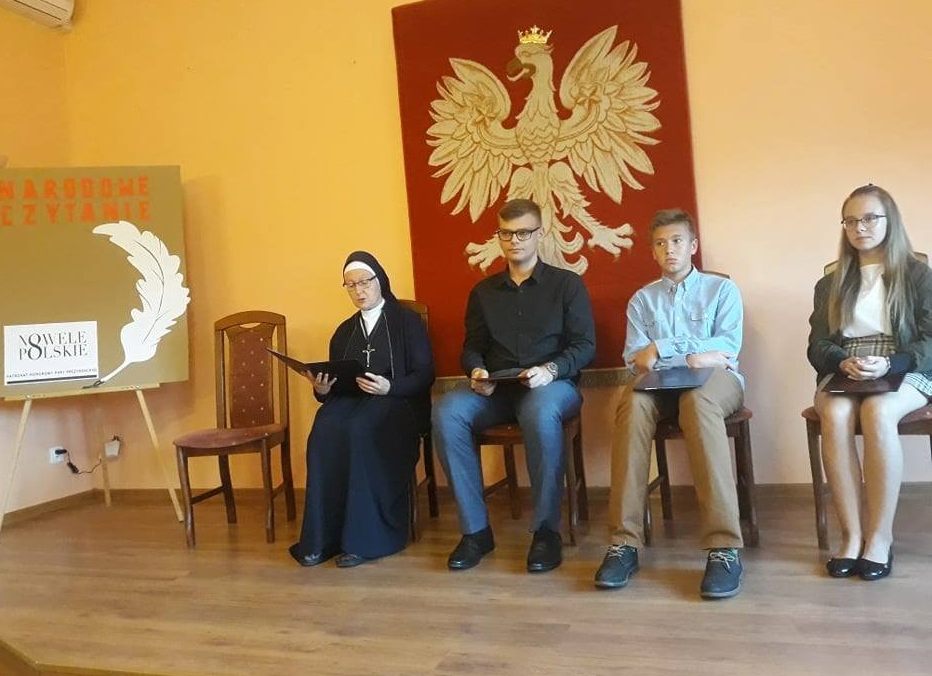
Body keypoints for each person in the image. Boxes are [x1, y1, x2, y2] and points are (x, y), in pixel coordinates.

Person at [432, 198, 596, 573]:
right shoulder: (483, 292)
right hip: (497, 389)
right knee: (446, 411)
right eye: (506, 234)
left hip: (551, 386)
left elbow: (585, 345)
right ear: (499, 237)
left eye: (523, 233)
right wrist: (476, 371)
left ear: (540, 234)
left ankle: (546, 532)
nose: (514, 241)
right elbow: (472, 347)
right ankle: (475, 532)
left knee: (540, 412)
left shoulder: (567, 285)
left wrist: (551, 369)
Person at [594, 208, 747, 599]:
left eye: (677, 241)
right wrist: (687, 352)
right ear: (653, 251)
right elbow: (636, 360)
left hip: (716, 381)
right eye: (660, 244)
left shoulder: (722, 290)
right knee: (632, 404)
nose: (669, 250)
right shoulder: (642, 301)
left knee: (697, 403)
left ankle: (723, 547)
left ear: (693, 245)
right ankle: (624, 542)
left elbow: (727, 348)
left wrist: (663, 347)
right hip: (660, 384)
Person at [808, 184, 932, 581]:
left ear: (889, 220)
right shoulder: (830, 283)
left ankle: (880, 538)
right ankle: (851, 536)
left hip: (905, 364)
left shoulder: (918, 275)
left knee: (878, 411)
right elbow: (817, 345)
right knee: (836, 413)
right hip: (847, 367)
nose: (859, 228)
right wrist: (842, 361)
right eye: (850, 221)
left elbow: (930, 339)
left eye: (869, 218)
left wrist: (892, 362)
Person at [289, 251, 435, 568]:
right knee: (323, 429)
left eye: (365, 282)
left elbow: (425, 374)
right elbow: (335, 385)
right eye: (351, 285)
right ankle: (323, 539)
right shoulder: (344, 331)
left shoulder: (406, 322)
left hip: (397, 402)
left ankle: (366, 540)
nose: (359, 290)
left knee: (361, 429)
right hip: (352, 401)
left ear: (379, 280)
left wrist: (389, 387)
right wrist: (322, 389)